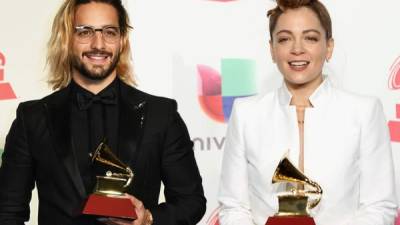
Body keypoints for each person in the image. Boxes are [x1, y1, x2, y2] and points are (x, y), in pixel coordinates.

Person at [0, 0, 206, 225]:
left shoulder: (161, 115)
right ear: (67, 38)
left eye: (109, 32)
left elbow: (191, 201)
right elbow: (8, 211)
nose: (98, 44)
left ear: (122, 40)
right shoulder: (33, 118)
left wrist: (148, 218)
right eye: (85, 32)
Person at [218, 0, 398, 225]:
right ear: (272, 50)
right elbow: (233, 206)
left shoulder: (364, 112)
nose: (297, 49)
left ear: (329, 46)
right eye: (284, 39)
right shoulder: (246, 114)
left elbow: (379, 206)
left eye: (310, 37)